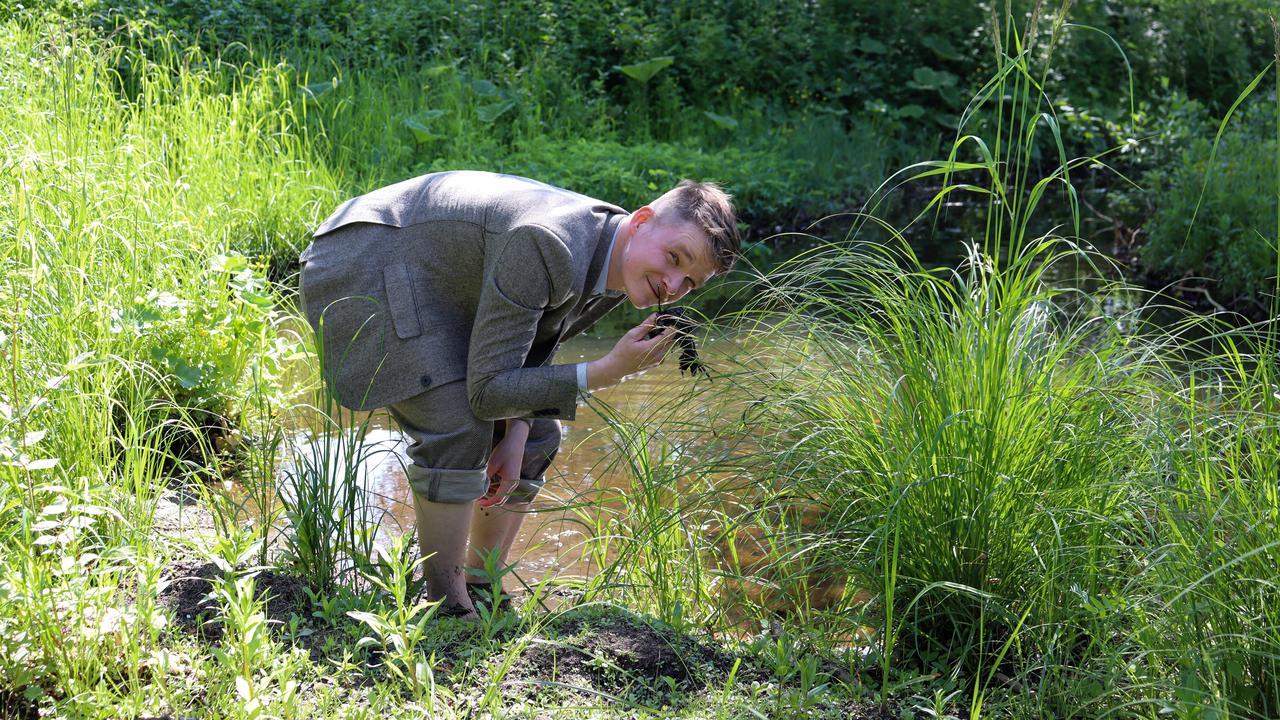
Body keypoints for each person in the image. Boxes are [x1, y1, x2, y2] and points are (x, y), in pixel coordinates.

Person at [298, 171, 739, 616]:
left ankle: (482, 583)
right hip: (364, 258)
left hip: (436, 278)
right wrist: (607, 370)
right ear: (642, 220)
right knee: (460, 424)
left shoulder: (619, 262)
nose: (673, 285)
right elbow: (488, 392)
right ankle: (447, 607)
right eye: (674, 258)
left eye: (690, 284)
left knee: (539, 435)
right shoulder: (549, 243)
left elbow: (532, 344)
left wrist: (517, 431)